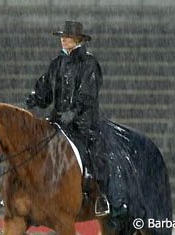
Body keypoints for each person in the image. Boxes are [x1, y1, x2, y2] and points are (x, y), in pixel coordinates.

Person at [26, 21, 126, 220]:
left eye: (68, 36)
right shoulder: (57, 63)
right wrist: (34, 99)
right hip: (58, 122)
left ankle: (101, 196)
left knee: (94, 154)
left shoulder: (89, 63)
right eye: (63, 36)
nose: (63, 39)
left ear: (78, 40)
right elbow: (45, 88)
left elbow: (87, 95)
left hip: (84, 124)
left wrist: (73, 113)